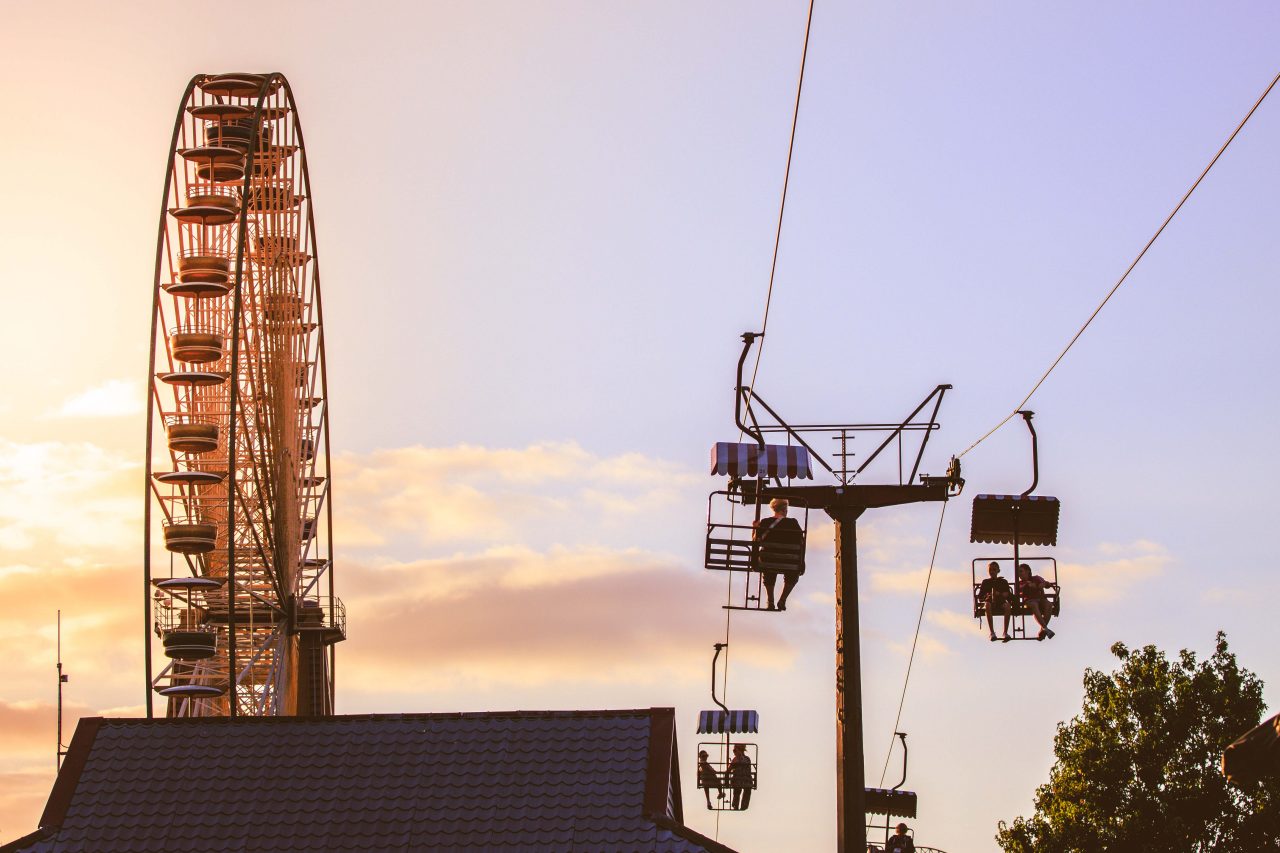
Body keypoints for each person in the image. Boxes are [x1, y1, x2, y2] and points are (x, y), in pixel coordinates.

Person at [753, 498, 805, 611]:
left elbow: (756, 540)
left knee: (769, 571)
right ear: (784, 509)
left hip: (768, 561)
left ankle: (770, 601)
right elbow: (801, 542)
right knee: (792, 575)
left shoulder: (765, 522)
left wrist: (755, 528)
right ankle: (782, 600)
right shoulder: (793, 523)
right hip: (789, 562)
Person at [1016, 562, 1056, 640]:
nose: (1019, 574)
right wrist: (1028, 585)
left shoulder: (1037, 578)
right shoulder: (1020, 583)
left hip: (1041, 598)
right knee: (1034, 605)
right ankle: (1045, 628)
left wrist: (1043, 584)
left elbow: (1046, 584)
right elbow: (1019, 590)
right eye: (1018, 572)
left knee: (1049, 605)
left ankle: (1043, 629)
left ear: (1027, 571)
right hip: (1029, 600)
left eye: (1021, 571)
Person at [976, 561, 1013, 642]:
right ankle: (992, 632)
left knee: (1007, 606)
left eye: (994, 569)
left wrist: (1002, 594)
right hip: (989, 602)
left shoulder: (1003, 582)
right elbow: (980, 596)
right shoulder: (985, 582)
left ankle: (1005, 632)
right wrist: (988, 595)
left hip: (1001, 602)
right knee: (987, 605)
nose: (992, 571)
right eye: (990, 570)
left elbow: (1009, 596)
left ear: (998, 571)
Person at [728, 743, 753, 811]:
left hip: (739, 780)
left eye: (735, 750)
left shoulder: (736, 759)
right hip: (745, 780)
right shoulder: (747, 759)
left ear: (740, 750)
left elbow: (729, 770)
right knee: (744, 790)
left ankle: (736, 804)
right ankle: (742, 805)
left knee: (738, 790)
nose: (734, 752)